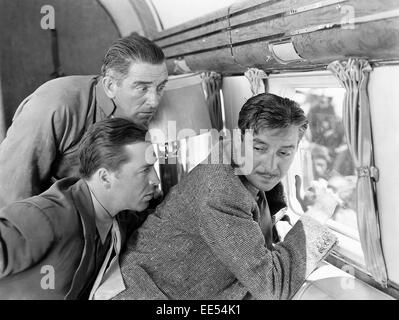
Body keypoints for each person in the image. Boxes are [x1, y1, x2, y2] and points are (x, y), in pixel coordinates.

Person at [110, 93, 339, 300]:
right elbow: (272, 287)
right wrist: (318, 215)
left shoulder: (248, 173)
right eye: (259, 148)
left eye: (284, 152)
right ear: (239, 140)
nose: (271, 165)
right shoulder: (221, 192)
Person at [0, 33, 168, 208]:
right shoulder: (55, 105)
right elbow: (10, 194)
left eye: (161, 87)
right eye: (142, 88)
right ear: (110, 86)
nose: (154, 101)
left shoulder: (145, 111)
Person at [0, 118, 160, 299]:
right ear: (105, 178)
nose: (155, 180)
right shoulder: (47, 217)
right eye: (144, 170)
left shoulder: (121, 219)